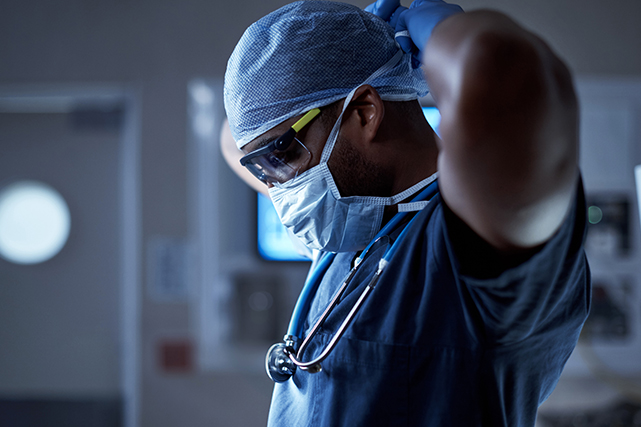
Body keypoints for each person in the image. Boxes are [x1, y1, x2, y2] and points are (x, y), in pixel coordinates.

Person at [222, 0, 590, 425]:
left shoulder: (478, 246)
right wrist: (339, 55)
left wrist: (437, 38)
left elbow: (505, 75)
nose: (278, 189)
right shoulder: (353, 228)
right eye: (264, 171)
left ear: (364, 113)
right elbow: (235, 141)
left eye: (282, 155)